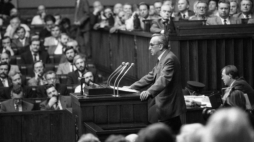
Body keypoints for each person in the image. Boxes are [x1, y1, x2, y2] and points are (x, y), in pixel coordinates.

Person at [128, 34, 186, 134]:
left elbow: (164, 79)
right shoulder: (163, 57)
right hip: (167, 106)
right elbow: (151, 76)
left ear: (160, 46)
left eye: (151, 45)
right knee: (173, 133)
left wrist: (149, 91)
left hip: (169, 104)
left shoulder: (169, 59)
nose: (149, 47)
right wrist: (131, 87)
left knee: (169, 135)